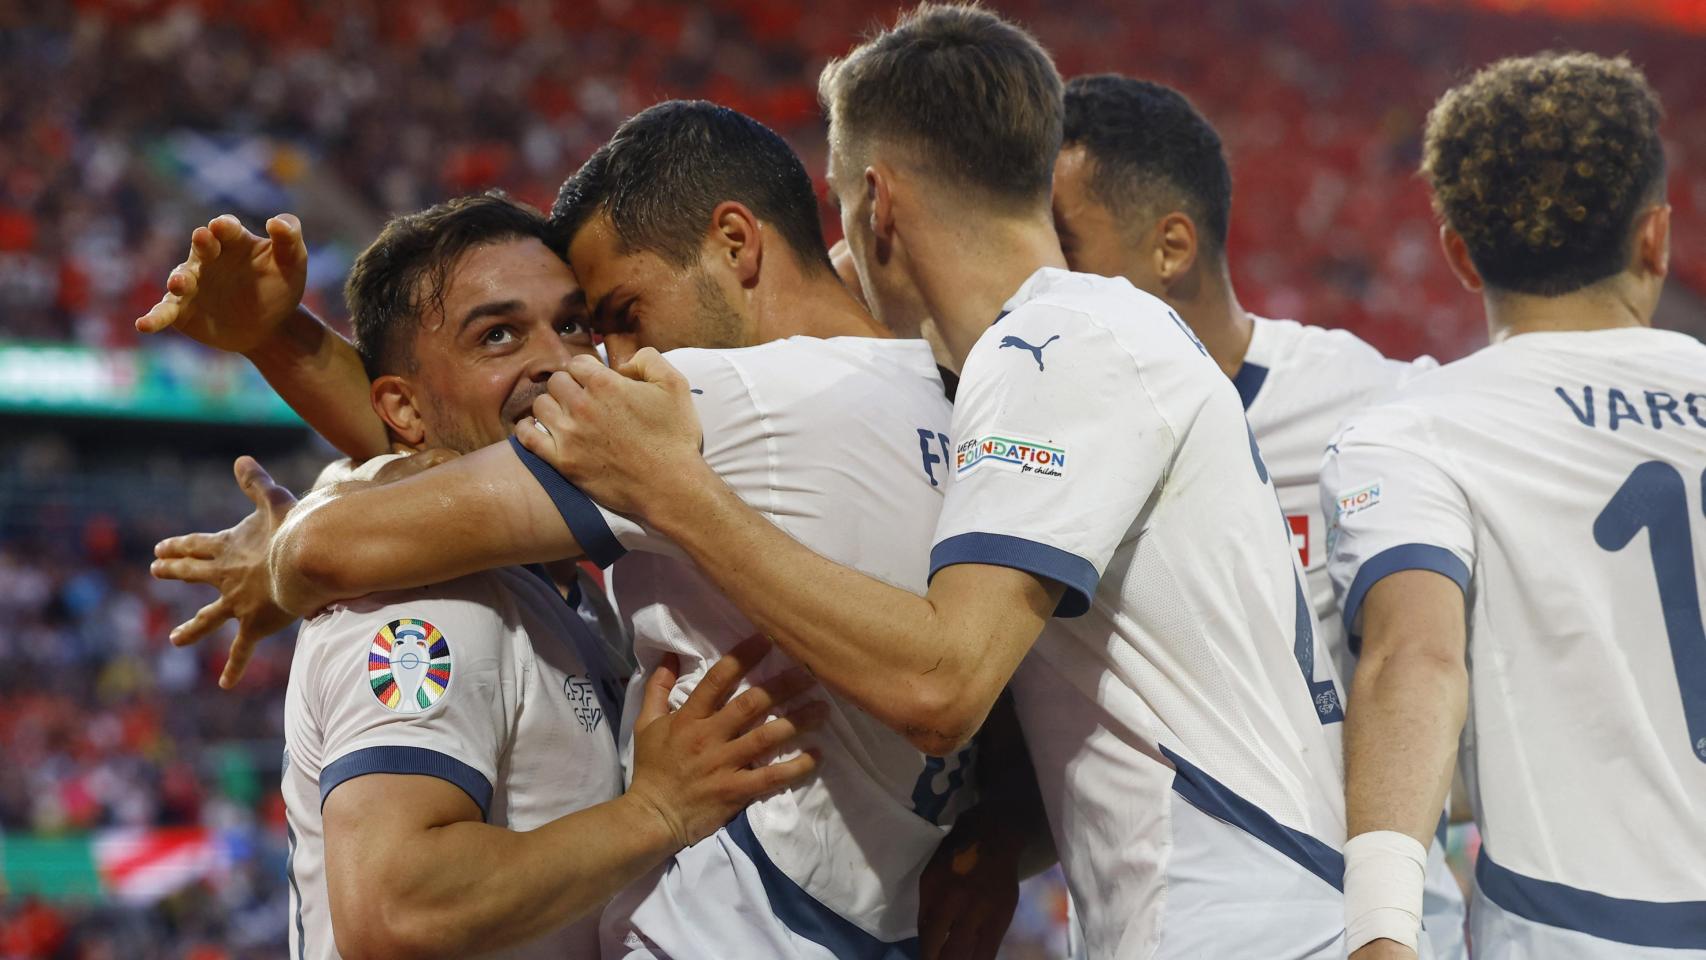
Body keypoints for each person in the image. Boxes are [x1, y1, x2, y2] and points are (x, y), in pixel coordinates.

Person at [515, 6, 1349, 958]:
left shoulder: (1059, 345)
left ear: (877, 205)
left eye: (837, 210)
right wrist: (1001, 837)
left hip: (1235, 928)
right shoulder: (1070, 345)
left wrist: (676, 494)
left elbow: (941, 680)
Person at [157, 101, 980, 959]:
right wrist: (653, 813)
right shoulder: (427, 601)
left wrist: (285, 360)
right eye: (501, 333)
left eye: (582, 322)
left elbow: (463, 453)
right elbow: (393, 912)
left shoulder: (576, 588)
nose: (575, 360)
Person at [1048, 73, 1463, 957]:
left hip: (1360, 917)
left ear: (1171, 248)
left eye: (1065, 247)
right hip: (1163, 920)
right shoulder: (1041, 432)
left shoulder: (1376, 405)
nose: (1041, 284)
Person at [1324, 52, 1706, 959]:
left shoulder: (1411, 431)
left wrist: (1381, 929)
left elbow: (1412, 661)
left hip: (1579, 931)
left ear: (1458, 252)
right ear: (1655, 237)